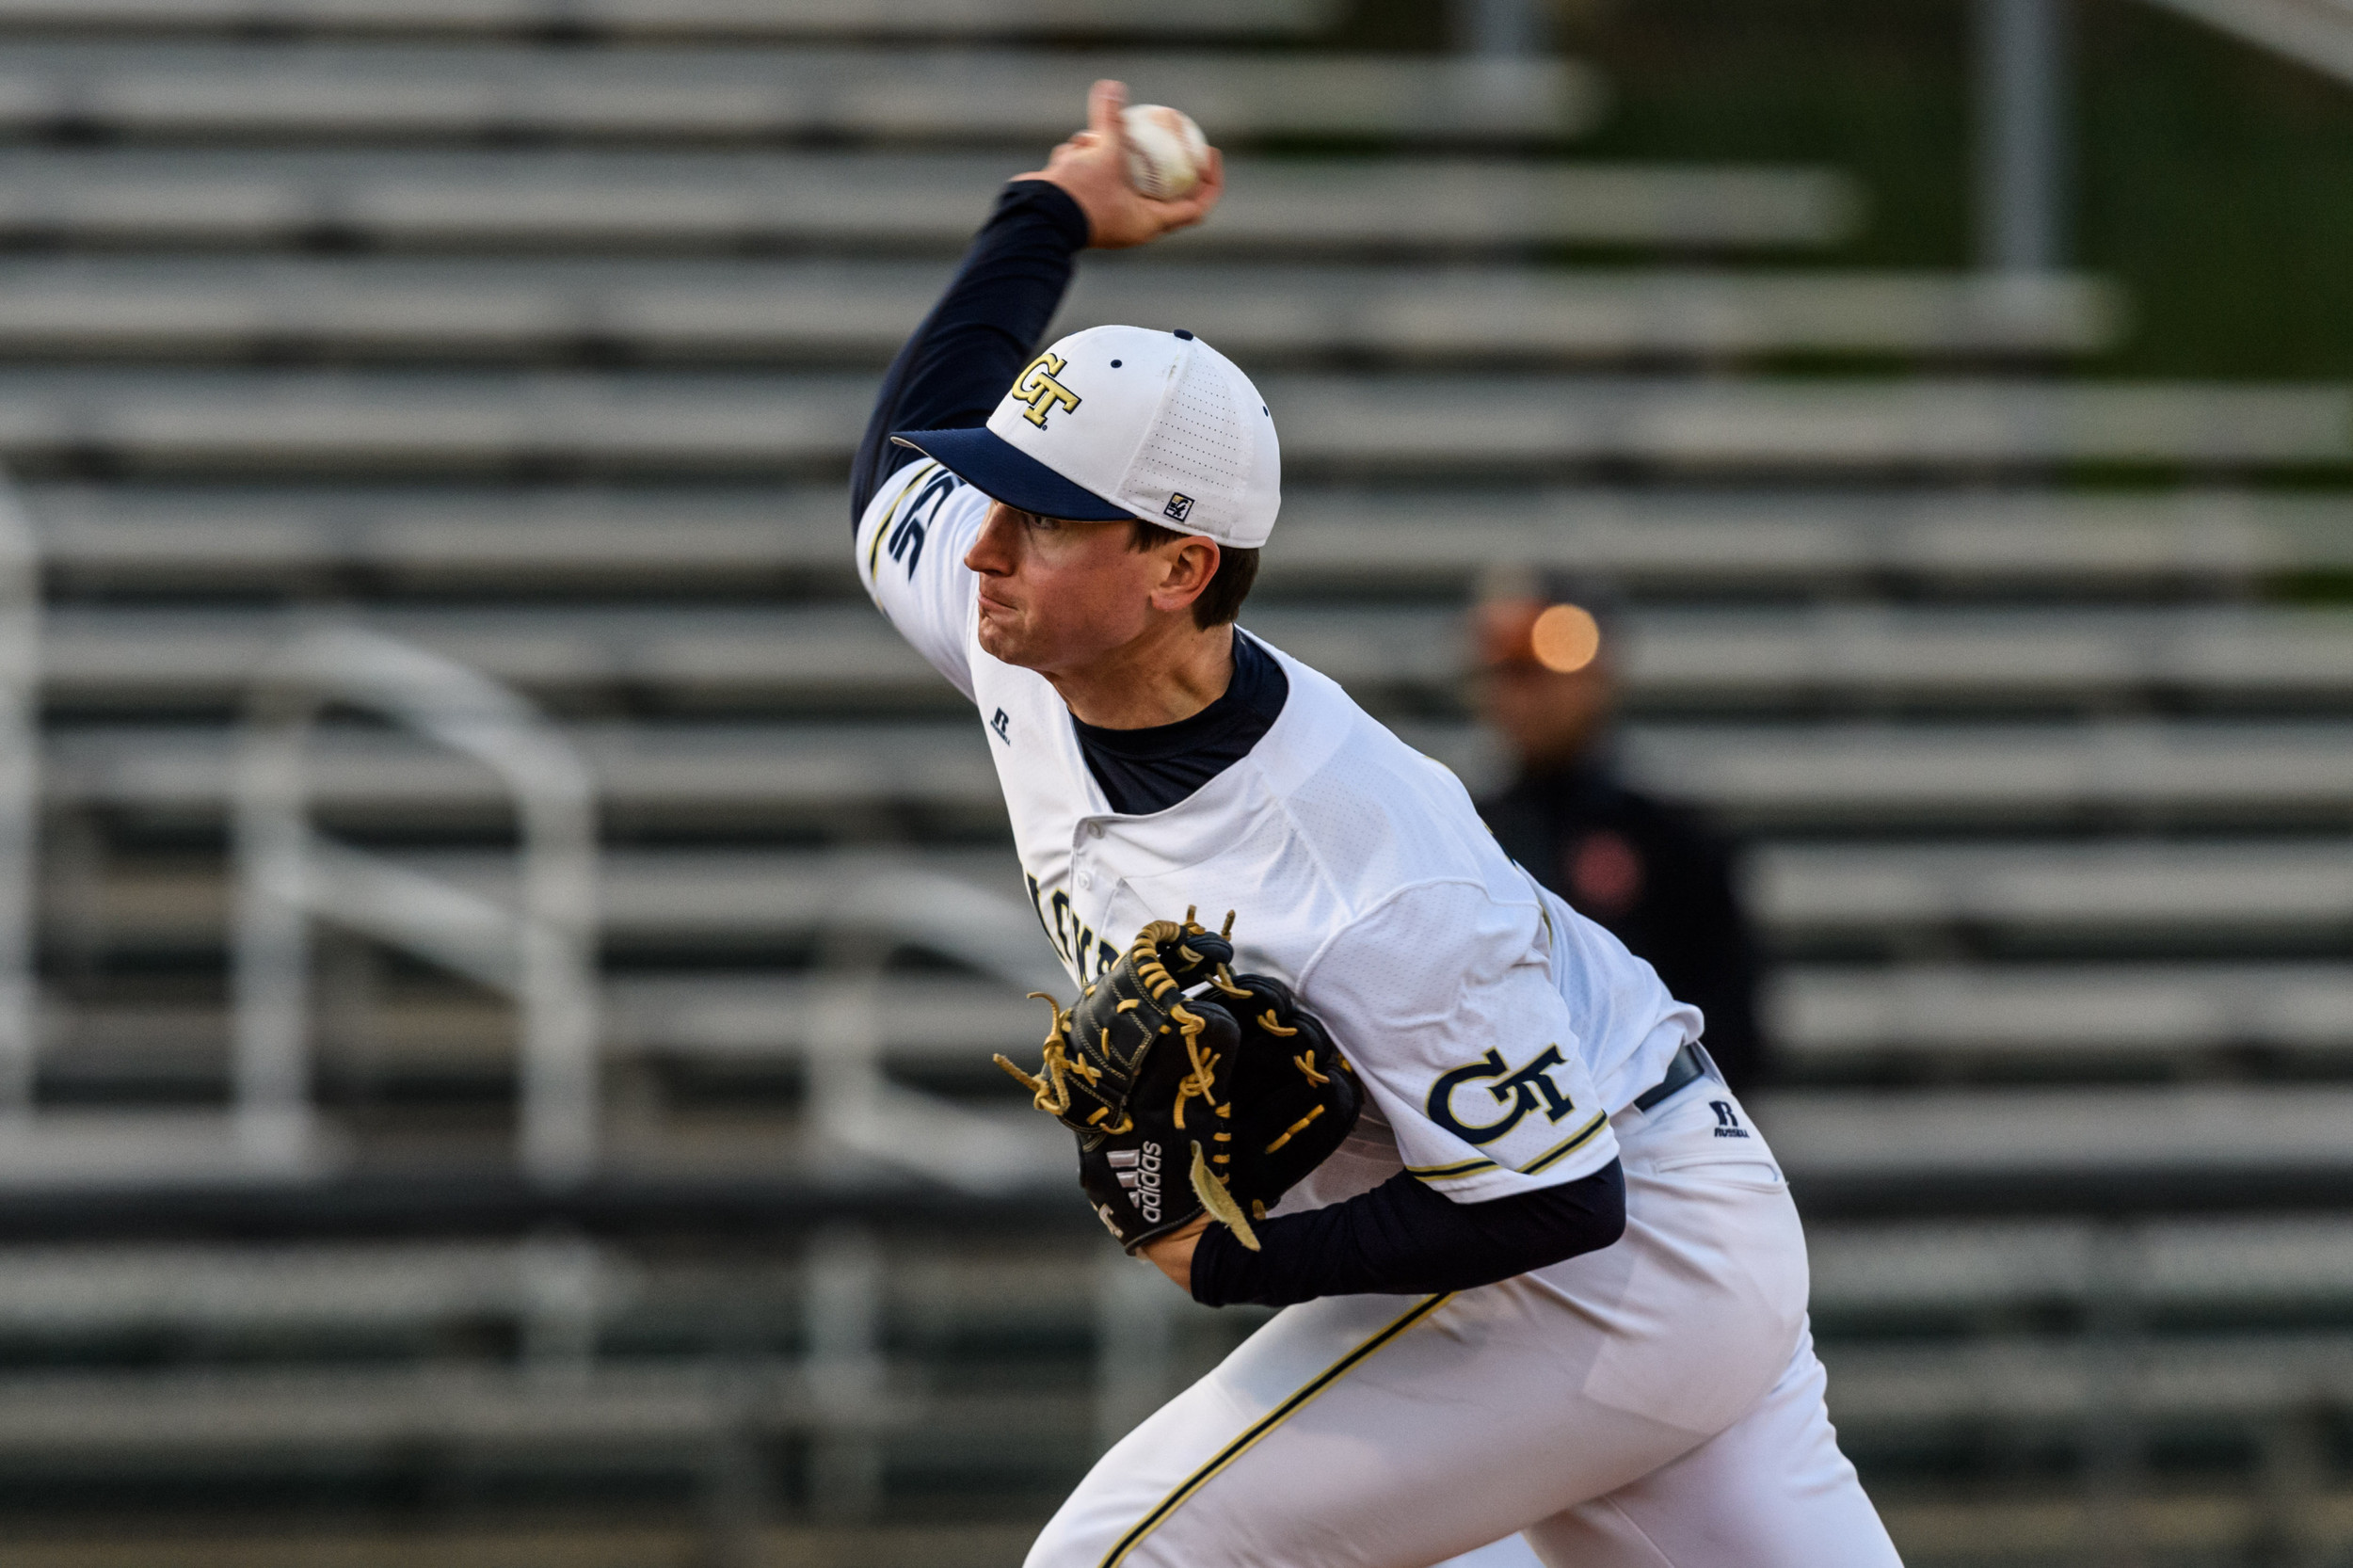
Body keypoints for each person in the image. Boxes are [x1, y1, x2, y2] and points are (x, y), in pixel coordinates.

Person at [850, 80, 1898, 1568]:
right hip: (1642, 1232)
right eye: (1000, 500)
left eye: (1045, 516)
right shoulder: (1020, 617)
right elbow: (897, 466)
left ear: (1177, 568)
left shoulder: (1365, 869)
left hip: (1603, 1263)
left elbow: (1558, 1200)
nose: (986, 546)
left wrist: (1225, 1259)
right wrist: (1052, 213)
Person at [1472, 582, 1770, 1092]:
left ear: (1602, 676)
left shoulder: (1676, 843)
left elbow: (1731, 1026)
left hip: (1650, 1120)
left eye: (1554, 671)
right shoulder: (1468, 836)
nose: (1533, 696)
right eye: (1513, 674)